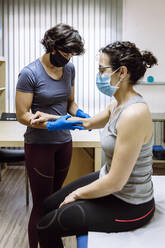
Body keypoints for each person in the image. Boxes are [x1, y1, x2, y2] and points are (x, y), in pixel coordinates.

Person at [34, 41, 158, 248]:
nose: (98, 75)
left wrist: (76, 194)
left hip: (131, 205)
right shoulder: (117, 104)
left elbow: (115, 182)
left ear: (122, 72)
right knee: (48, 205)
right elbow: (88, 122)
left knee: (45, 227)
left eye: (102, 70)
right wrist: (52, 118)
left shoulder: (134, 114)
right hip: (112, 184)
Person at [15, 23, 90, 248]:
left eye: (72, 54)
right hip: (40, 145)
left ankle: (52, 242)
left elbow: (69, 103)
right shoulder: (30, 73)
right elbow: (22, 114)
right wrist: (49, 125)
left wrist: (81, 114)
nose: (68, 57)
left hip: (63, 143)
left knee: (56, 200)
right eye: (65, 52)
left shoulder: (69, 69)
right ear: (51, 46)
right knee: (41, 204)